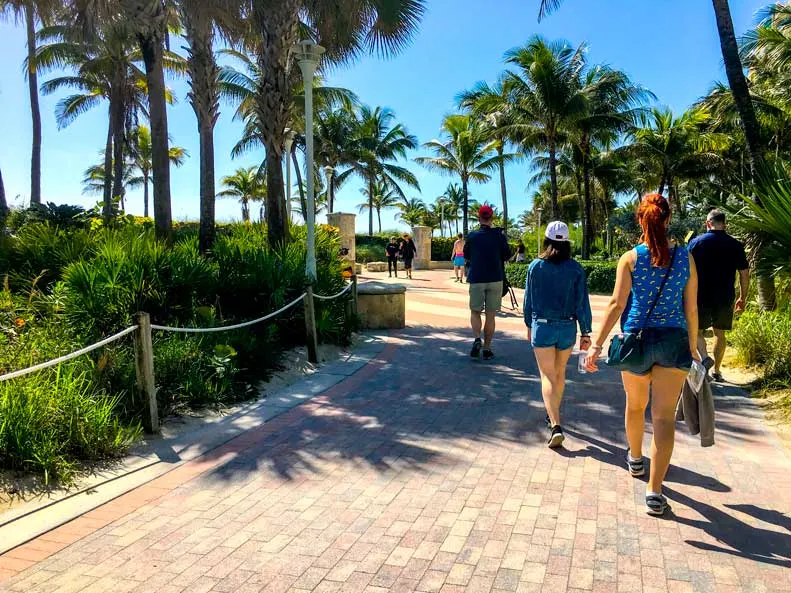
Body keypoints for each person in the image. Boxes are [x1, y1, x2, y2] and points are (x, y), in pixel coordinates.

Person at [586, 194, 699, 517]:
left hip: (636, 340)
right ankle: (654, 490)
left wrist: (596, 345)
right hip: (674, 340)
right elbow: (691, 309)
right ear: (667, 219)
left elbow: (616, 304)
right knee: (663, 417)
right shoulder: (686, 258)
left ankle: (635, 458)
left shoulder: (630, 258)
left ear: (641, 220)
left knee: (635, 406)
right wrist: (692, 347)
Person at [524, 221, 592, 448]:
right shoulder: (575, 268)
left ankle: (555, 424)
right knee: (559, 373)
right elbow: (582, 302)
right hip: (567, 328)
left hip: (542, 326)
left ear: (546, 240)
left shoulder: (535, 266)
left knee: (546, 375)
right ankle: (554, 413)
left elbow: (528, 301)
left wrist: (527, 325)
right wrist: (586, 330)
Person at [689, 209, 750, 383]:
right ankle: (717, 371)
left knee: (697, 331)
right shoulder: (735, 245)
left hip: (699, 295)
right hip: (725, 296)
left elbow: (685, 270)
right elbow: (744, 274)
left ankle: (705, 360)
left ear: (708, 223)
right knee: (720, 333)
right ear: (724, 224)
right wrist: (742, 297)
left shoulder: (696, 243)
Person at [463, 205, 511, 360]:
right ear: (491, 218)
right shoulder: (499, 236)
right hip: (495, 278)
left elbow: (466, 255)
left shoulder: (472, 236)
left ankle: (477, 338)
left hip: (477, 278)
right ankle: (487, 348)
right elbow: (507, 255)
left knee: (475, 311)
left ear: (479, 218)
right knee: (491, 315)